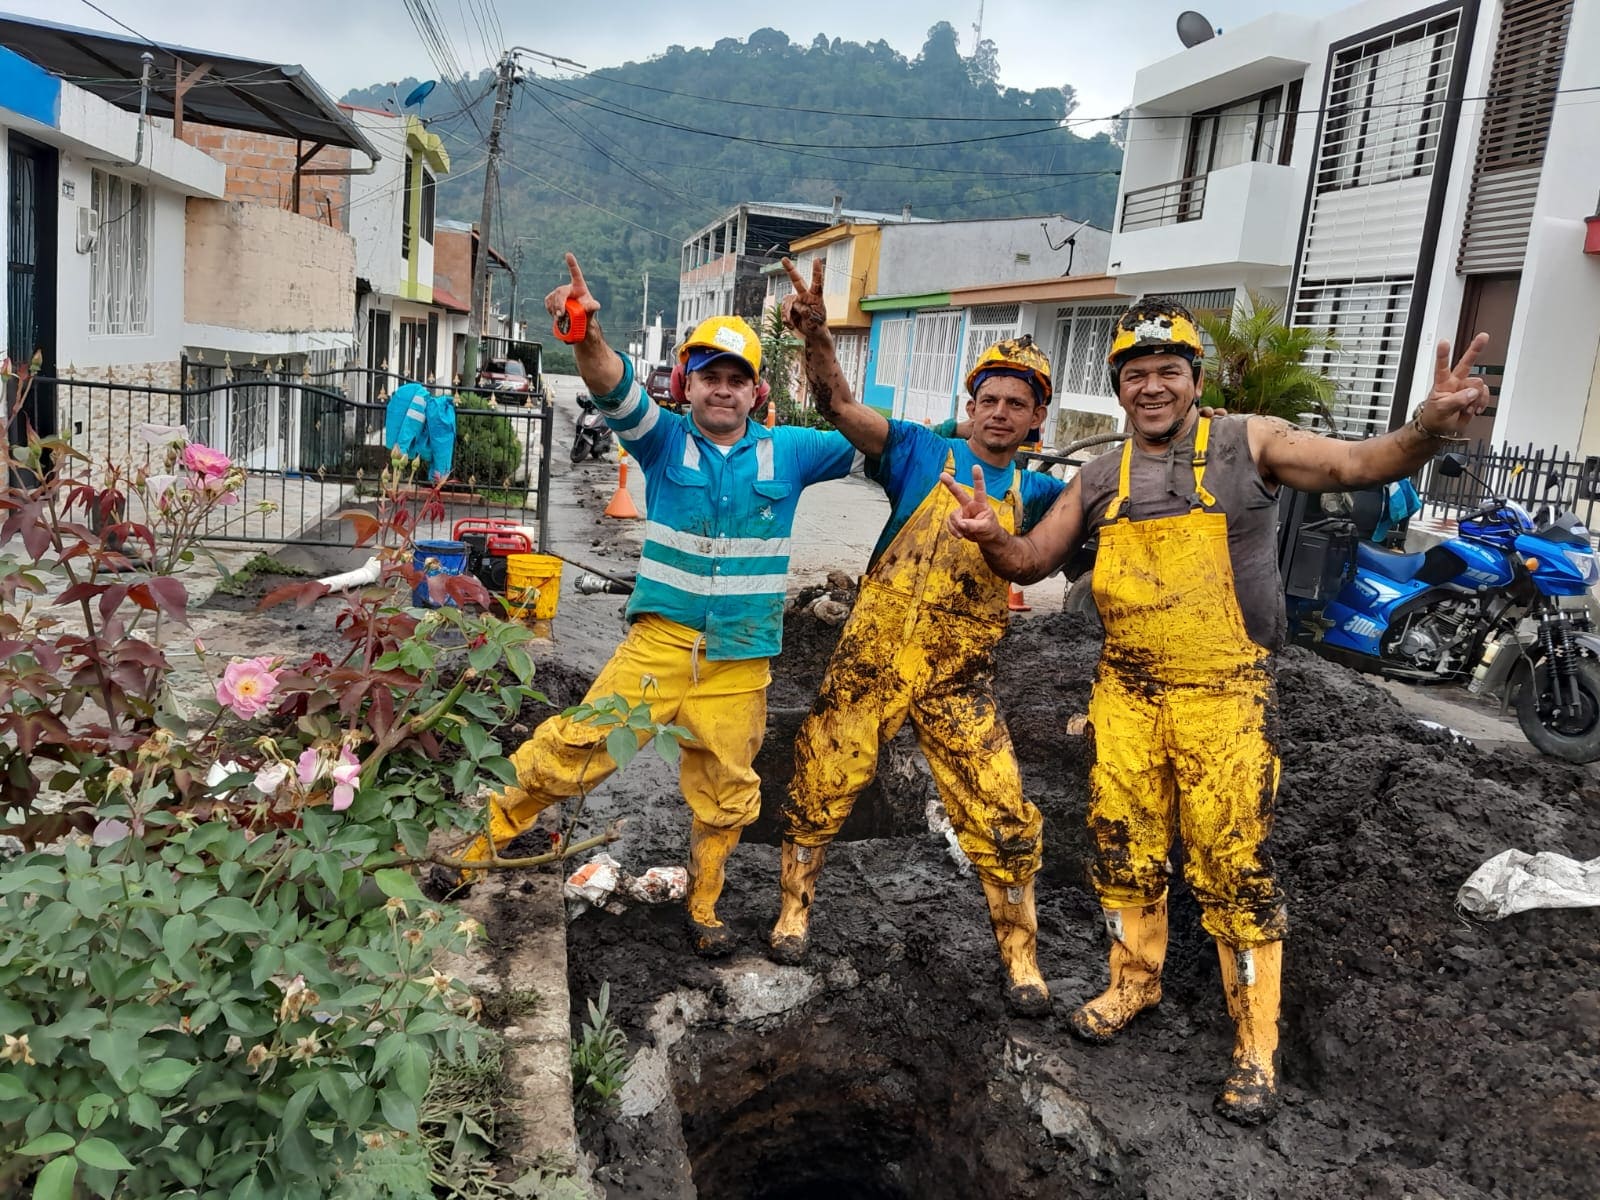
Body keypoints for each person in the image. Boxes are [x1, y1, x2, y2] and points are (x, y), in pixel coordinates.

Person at [939, 295, 1491, 1120]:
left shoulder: (1249, 442)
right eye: (1135, 375)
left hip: (1223, 694)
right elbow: (1031, 560)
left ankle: (1255, 1045)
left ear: (1194, 379)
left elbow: (1355, 465)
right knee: (1124, 848)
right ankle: (1134, 984)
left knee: (1232, 865)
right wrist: (989, 535)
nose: (1151, 388)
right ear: (1119, 387)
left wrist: (1428, 429)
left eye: (1168, 371)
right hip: (1124, 692)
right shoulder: (1099, 476)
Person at [447, 253, 861, 958]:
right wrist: (582, 334)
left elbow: (857, 425)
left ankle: (704, 908)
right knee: (577, 748)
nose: (722, 391)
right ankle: (473, 847)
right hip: (660, 647)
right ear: (687, 385)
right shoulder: (664, 441)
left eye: (736, 379)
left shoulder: (791, 453)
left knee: (727, 789)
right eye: (709, 377)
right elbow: (613, 386)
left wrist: (820, 342)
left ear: (757, 391)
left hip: (741, 659)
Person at [769, 257, 1066, 1015]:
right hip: (870, 659)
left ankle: (1021, 957)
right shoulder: (917, 452)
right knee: (820, 783)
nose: (998, 413)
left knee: (1000, 811)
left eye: (1015, 404)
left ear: (1038, 420)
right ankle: (794, 909)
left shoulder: (1041, 495)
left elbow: (1109, 524)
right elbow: (837, 402)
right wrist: (818, 340)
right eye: (987, 399)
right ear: (969, 407)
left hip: (959, 677)